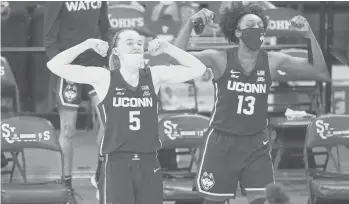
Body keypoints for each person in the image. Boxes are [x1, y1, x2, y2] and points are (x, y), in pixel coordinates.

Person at [174, 2, 330, 204]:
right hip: (222, 142)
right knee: (214, 201)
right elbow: (176, 60)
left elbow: (317, 69)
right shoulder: (219, 58)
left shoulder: (274, 60)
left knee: (261, 200)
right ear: (237, 32)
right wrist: (189, 24)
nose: (256, 29)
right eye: (250, 25)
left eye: (259, 26)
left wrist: (308, 33)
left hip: (256, 142)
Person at [46, 29, 207, 204]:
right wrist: (87, 45)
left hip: (149, 161)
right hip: (117, 162)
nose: (136, 47)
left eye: (140, 43)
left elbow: (199, 69)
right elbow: (54, 65)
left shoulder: (154, 76)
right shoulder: (104, 77)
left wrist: (168, 48)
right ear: (115, 51)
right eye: (129, 43)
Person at [43, 1, 110, 193]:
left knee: (109, 121)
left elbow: (105, 28)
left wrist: (110, 54)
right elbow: (48, 38)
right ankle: (66, 183)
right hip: (69, 65)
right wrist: (58, 64)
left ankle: (100, 173)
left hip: (94, 64)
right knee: (67, 129)